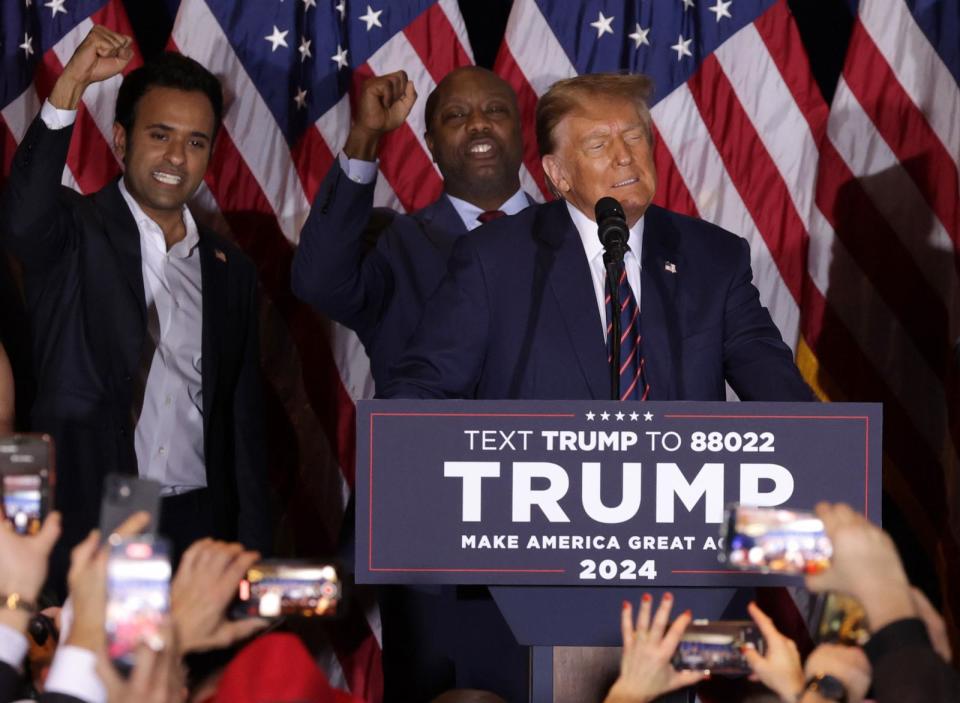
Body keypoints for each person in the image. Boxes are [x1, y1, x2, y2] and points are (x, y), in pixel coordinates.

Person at [0, 26, 271, 586]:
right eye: (161, 135)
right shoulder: (74, 229)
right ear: (122, 141)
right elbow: (21, 218)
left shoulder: (231, 270)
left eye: (196, 142)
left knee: (197, 673)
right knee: (117, 670)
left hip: (200, 523)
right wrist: (70, 84)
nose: (177, 156)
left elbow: (241, 426)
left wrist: (252, 553)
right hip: (107, 515)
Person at [383, 72, 813, 402]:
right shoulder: (494, 259)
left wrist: (827, 448)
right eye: (597, 145)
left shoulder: (713, 256)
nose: (624, 156)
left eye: (634, 137)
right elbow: (423, 388)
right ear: (558, 174)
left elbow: (777, 389)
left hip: (683, 509)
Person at [291, 66, 530, 389]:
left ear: (520, 129)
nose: (478, 124)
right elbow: (317, 281)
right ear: (431, 144)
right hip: (430, 439)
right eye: (456, 115)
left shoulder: (577, 237)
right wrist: (366, 135)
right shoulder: (392, 243)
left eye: (495, 110)